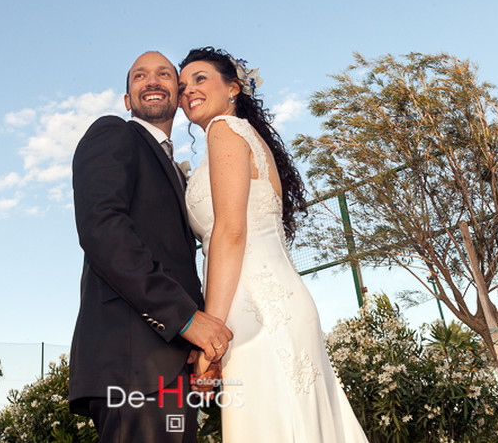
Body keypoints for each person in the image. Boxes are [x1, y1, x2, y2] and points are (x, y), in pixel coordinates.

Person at [178, 47, 369, 442]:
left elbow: (231, 232)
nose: (187, 91)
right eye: (182, 86)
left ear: (233, 87)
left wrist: (210, 335)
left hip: (256, 311)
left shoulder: (223, 130)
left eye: (200, 79)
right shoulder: (248, 138)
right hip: (270, 303)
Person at [69, 51, 234, 443]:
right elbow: (102, 229)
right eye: (140, 76)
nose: (153, 80)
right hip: (130, 364)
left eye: (164, 73)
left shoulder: (177, 171)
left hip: (172, 365)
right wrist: (186, 318)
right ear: (127, 100)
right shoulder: (113, 133)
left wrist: (195, 345)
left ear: (178, 93)